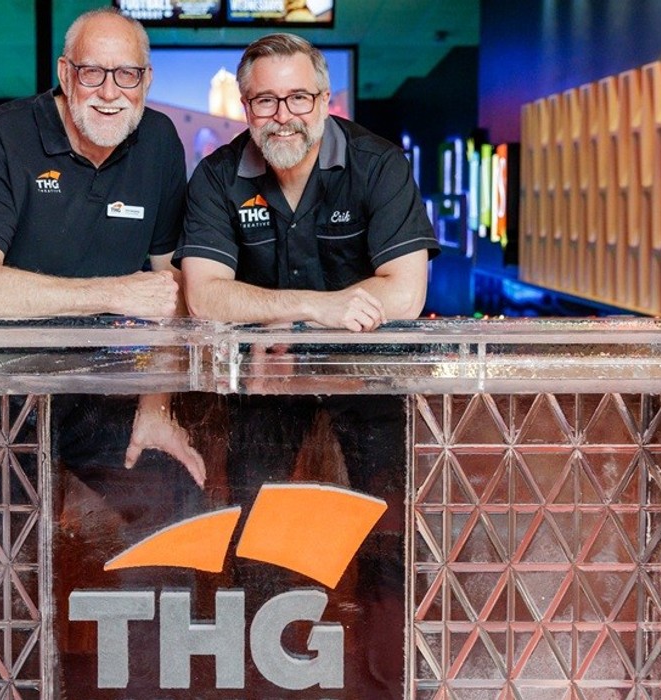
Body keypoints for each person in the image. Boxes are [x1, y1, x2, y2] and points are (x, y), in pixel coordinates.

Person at [176, 32, 440, 694]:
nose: (282, 113)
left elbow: (404, 294)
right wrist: (322, 308)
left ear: (325, 99)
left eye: (297, 95)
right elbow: (205, 296)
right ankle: (271, 671)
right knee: (253, 519)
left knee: (388, 524)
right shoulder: (215, 176)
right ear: (243, 104)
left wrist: (273, 307)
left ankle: (389, 671)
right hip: (266, 382)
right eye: (265, 99)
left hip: (373, 379)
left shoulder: (377, 164)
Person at [0, 7, 203, 487]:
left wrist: (155, 406)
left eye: (127, 75)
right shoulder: (2, 136)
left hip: (86, 381)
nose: (110, 93)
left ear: (147, 79)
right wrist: (112, 293)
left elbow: (168, 293)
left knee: (168, 489)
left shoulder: (158, 142)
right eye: (92, 73)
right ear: (66, 74)